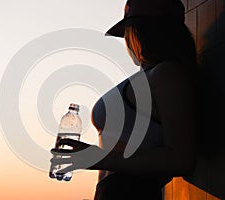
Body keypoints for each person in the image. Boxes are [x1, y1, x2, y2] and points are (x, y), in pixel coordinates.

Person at [51, 0, 197, 199]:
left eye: (128, 31)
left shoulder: (166, 74)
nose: (127, 40)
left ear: (142, 31)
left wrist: (98, 157)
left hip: (132, 190)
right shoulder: (149, 76)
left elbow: (181, 159)